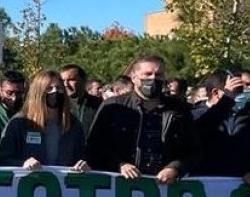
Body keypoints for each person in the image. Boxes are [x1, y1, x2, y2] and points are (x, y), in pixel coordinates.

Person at [86, 55, 200, 183]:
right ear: (134, 78)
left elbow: (193, 150)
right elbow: (95, 146)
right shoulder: (113, 107)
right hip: (120, 186)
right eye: (147, 74)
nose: (153, 79)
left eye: (158, 75)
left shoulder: (179, 110)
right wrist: (119, 165)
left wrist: (175, 167)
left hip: (165, 188)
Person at [0, 70, 89, 170]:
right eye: (49, 88)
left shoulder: (73, 125)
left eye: (59, 88)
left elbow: (81, 158)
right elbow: (2, 160)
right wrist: (23, 164)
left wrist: (83, 166)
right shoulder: (19, 123)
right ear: (38, 93)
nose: (55, 92)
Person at [193, 70, 250, 183]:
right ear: (216, 93)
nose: (245, 93)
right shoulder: (194, 116)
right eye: (238, 90)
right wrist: (227, 99)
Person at [60, 64, 101, 135]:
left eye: (71, 80)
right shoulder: (58, 105)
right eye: (63, 81)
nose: (66, 84)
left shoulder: (98, 104)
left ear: (83, 80)